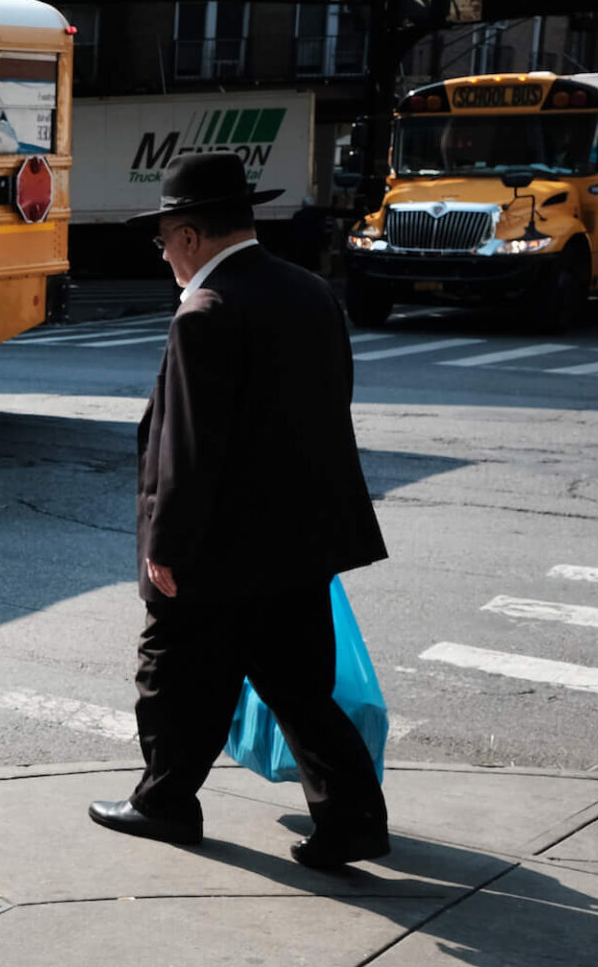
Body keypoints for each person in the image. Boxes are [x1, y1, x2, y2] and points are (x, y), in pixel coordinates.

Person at [87, 152, 393, 871]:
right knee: (298, 686)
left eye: (163, 238)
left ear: (190, 236)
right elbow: (327, 412)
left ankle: (164, 803)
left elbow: (191, 449)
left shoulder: (206, 312)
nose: (163, 253)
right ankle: (351, 820)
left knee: (169, 673)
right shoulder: (312, 291)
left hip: (221, 547)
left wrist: (166, 546)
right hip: (304, 537)